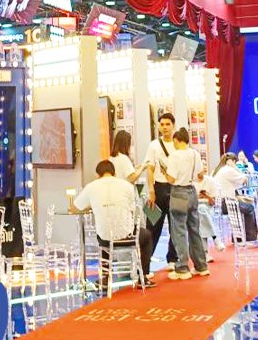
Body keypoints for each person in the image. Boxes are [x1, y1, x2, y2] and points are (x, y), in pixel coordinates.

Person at [70, 160, 154, 288]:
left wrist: (92, 206)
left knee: (104, 233)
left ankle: (105, 278)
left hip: (105, 239)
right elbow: (132, 209)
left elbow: (74, 208)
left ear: (98, 175)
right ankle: (144, 277)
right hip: (127, 237)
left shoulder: (91, 186)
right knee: (147, 236)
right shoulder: (126, 185)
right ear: (114, 173)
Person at [157, 127, 209, 280]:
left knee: (178, 231)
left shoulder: (174, 156)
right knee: (194, 230)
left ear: (177, 140)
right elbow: (200, 176)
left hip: (178, 193)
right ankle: (201, 266)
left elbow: (172, 179)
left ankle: (182, 267)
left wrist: (164, 172)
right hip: (192, 192)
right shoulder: (194, 153)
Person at [144, 113, 178, 269]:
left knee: (175, 226)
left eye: (167, 124)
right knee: (151, 227)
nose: (164, 127)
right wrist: (151, 190)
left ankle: (173, 259)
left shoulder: (178, 144)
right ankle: (145, 263)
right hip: (157, 188)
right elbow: (149, 169)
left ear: (173, 126)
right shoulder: (153, 145)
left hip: (175, 188)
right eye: (162, 124)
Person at [214, 152, 257, 241]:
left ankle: (238, 238)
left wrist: (241, 198)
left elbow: (228, 190)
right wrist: (235, 167)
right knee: (250, 208)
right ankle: (250, 238)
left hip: (219, 204)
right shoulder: (229, 170)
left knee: (243, 206)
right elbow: (245, 180)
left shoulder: (218, 170)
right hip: (227, 204)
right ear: (233, 161)